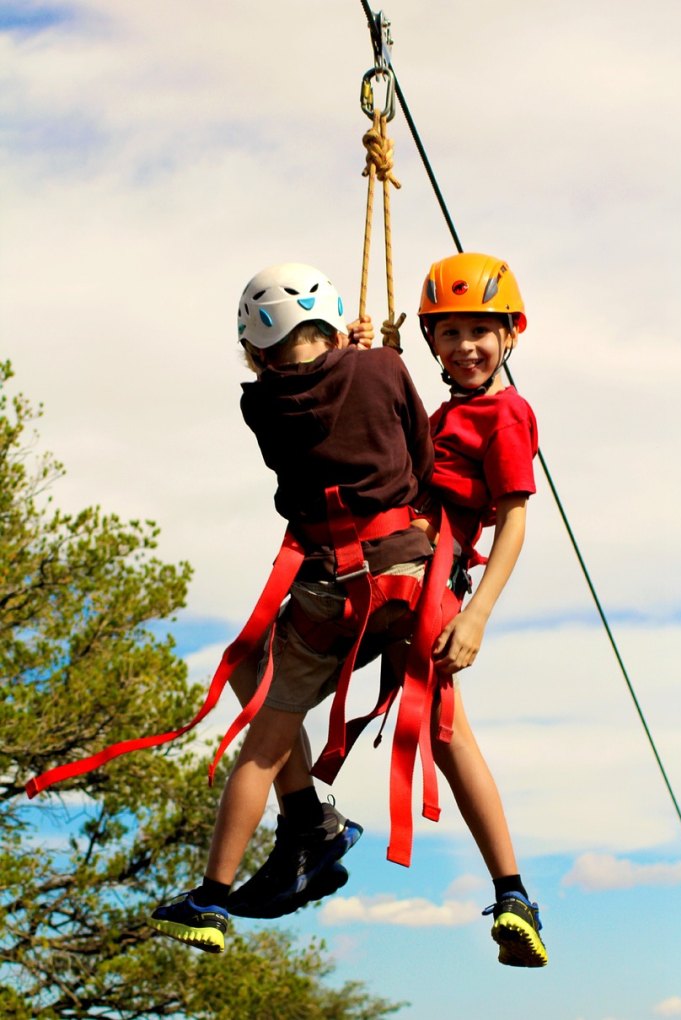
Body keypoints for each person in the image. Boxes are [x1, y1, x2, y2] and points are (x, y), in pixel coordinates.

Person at [231, 252, 549, 969]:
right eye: (449, 333)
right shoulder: (453, 410)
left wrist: (477, 617)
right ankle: (315, 830)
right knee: (431, 730)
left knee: (442, 731)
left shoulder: (504, 414)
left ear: (510, 335)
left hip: (425, 588)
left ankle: (507, 893)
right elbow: (396, 443)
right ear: (431, 341)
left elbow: (515, 520)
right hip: (394, 576)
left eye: (480, 331)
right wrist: (370, 362)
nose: (465, 346)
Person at [148, 261, 436, 953]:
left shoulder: (260, 404)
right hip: (408, 574)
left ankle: (216, 895)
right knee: (249, 664)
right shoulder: (382, 368)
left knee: (265, 729)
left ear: (255, 347)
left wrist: (353, 351)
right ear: (332, 322)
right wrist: (367, 351)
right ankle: (309, 821)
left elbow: (317, 386)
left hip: (332, 587)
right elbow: (418, 455)